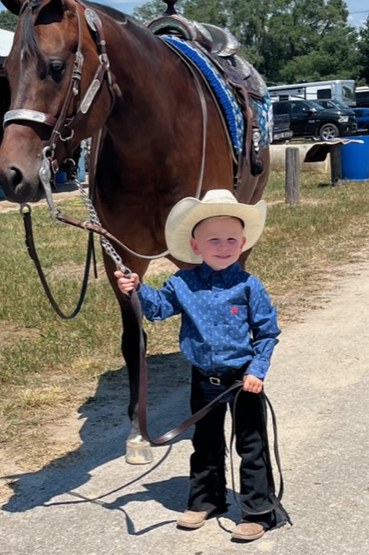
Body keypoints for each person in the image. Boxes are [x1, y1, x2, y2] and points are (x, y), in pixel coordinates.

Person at [115, 188, 290, 542]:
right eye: (213, 239)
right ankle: (206, 499)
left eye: (230, 239)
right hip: (203, 378)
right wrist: (134, 287)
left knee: (251, 445)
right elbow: (157, 308)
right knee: (205, 442)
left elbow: (267, 333)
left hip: (243, 380)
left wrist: (256, 370)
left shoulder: (249, 286)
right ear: (196, 246)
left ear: (241, 244)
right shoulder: (182, 283)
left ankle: (258, 511)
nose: (223, 246)